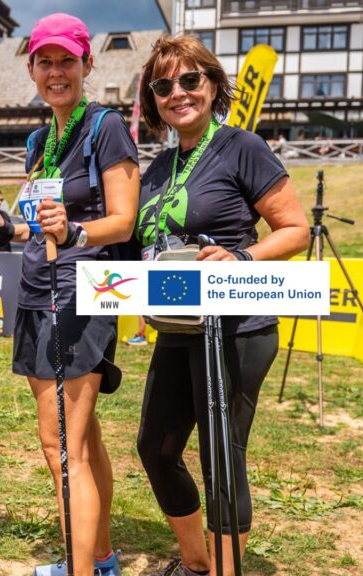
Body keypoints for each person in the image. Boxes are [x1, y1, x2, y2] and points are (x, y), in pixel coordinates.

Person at [133, 35, 309, 576]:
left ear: (212, 85)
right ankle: (196, 563)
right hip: (179, 326)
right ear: (152, 99)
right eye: (164, 85)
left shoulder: (242, 146)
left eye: (191, 80)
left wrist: (242, 256)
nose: (178, 93)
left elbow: (297, 229)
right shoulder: (159, 167)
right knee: (155, 449)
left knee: (220, 458)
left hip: (237, 327)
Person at [0, 13, 140, 575]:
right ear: (31, 69)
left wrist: (72, 232)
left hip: (83, 295)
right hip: (37, 290)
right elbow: (40, 226)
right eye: (44, 61)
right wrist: (6, 228)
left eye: (66, 60)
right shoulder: (40, 138)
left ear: (87, 64)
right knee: (82, 441)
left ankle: (82, 570)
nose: (55, 71)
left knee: (60, 446)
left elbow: (121, 221)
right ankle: (101, 559)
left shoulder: (105, 125)